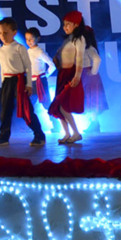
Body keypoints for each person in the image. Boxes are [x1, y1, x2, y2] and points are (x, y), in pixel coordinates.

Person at [0, 18, 46, 147]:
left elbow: (28, 66)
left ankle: (39, 135)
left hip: (19, 80)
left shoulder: (19, 48)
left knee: (27, 109)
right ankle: (3, 136)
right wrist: (3, 83)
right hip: (7, 81)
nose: (3, 36)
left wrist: (28, 84)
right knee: (5, 110)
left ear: (14, 32)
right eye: (0, 33)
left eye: (6, 32)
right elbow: (3, 69)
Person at [48, 10, 88, 144]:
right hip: (62, 74)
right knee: (58, 106)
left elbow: (80, 59)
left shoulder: (79, 39)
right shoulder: (67, 40)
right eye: (64, 24)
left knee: (63, 106)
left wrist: (77, 75)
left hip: (71, 74)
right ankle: (67, 133)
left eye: (68, 24)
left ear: (76, 24)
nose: (65, 27)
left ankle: (76, 133)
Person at [81, 29, 109, 132]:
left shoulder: (89, 49)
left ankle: (95, 124)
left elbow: (97, 59)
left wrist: (93, 72)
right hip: (86, 76)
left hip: (89, 77)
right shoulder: (84, 49)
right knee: (89, 100)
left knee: (92, 99)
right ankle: (94, 124)